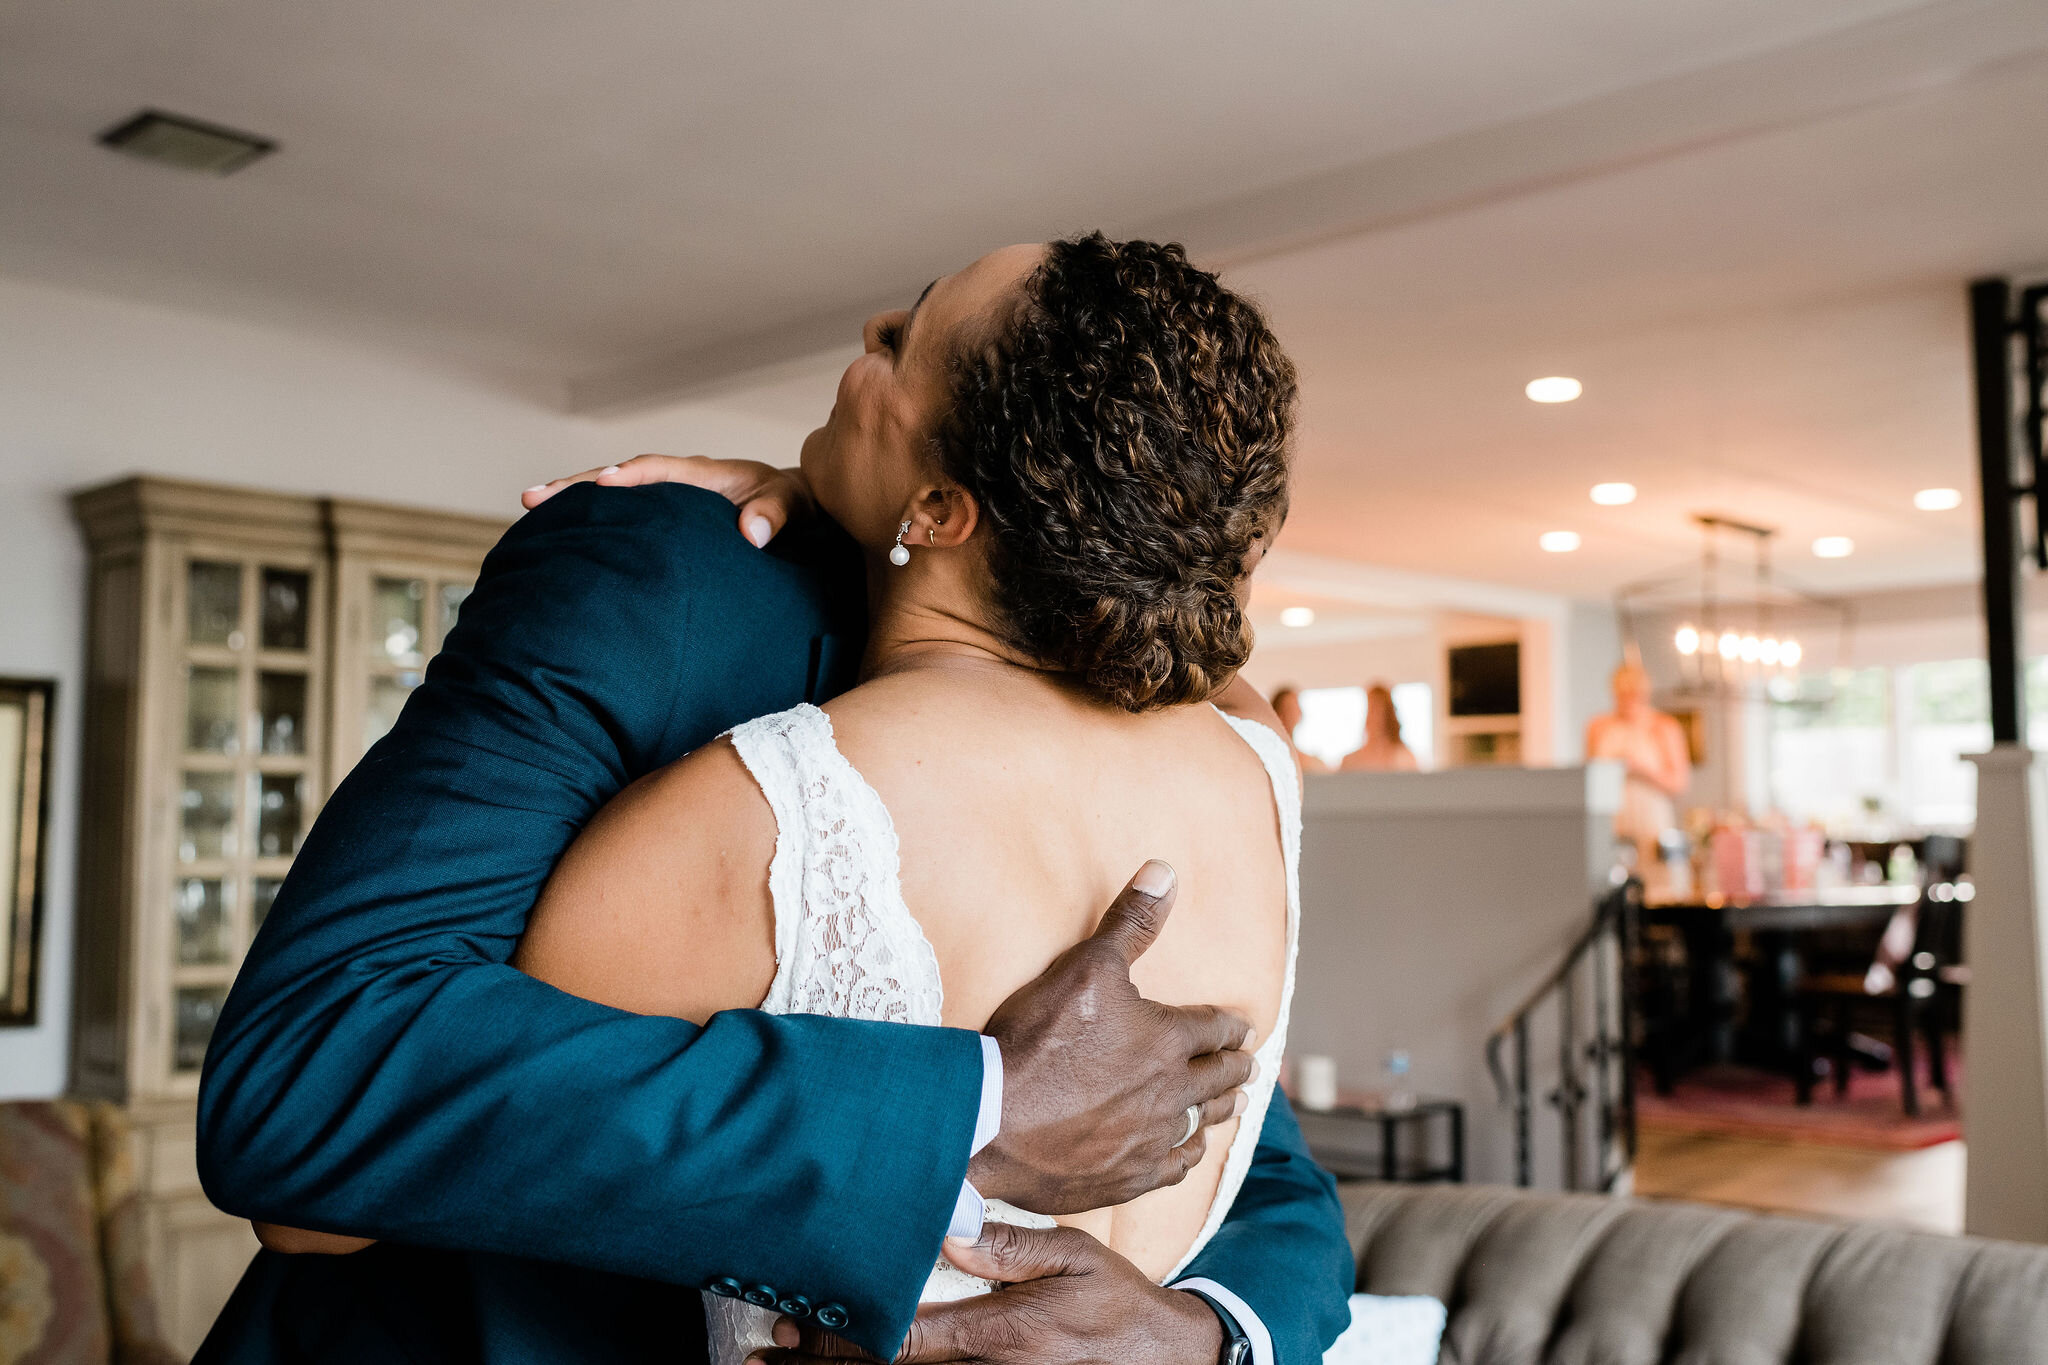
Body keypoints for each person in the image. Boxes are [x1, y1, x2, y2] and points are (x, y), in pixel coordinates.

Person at [195, 235, 1354, 1365]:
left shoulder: (1189, 760)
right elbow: (325, 1098)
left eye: (903, 335)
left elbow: (1241, 1146)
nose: (868, 333)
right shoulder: (1242, 754)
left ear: (952, 507)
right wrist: (964, 1116)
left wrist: (1207, 1339)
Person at [1583, 661, 1691, 872]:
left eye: (1633, 693)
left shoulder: (1663, 726)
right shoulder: (1597, 727)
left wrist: (1641, 770)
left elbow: (1679, 784)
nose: (1627, 700)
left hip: (1650, 819)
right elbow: (1589, 778)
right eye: (1622, 694)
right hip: (1612, 819)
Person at [1339, 683, 1418, 772]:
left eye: (1379, 710)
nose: (1375, 717)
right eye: (1371, 709)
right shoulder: (1350, 762)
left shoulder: (1405, 759)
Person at [1269, 686, 1329, 773]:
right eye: (1289, 708)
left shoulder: (1307, 759)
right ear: (1277, 713)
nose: (1295, 712)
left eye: (1296, 707)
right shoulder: (1271, 753)